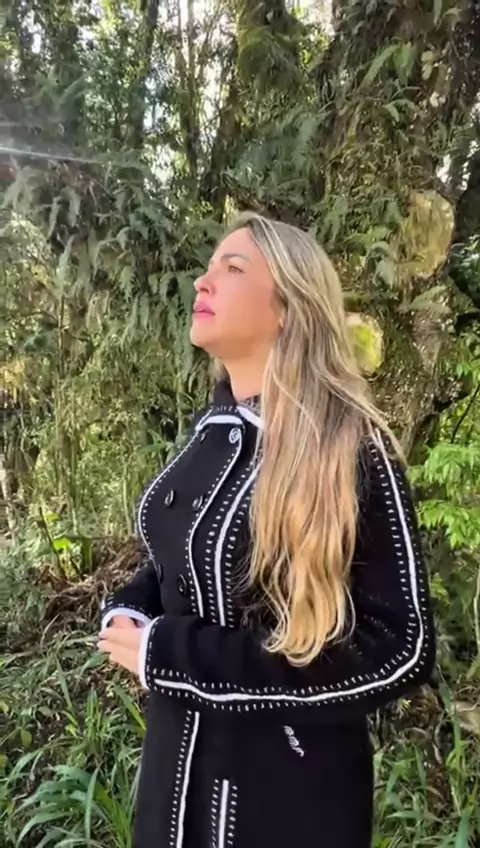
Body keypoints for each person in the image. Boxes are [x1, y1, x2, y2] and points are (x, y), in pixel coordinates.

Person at [98, 212, 436, 848]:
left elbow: (400, 648)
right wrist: (132, 608)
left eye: (232, 268)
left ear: (288, 307)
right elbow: (179, 563)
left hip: (283, 803)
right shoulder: (212, 433)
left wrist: (173, 654)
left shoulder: (350, 447)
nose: (202, 282)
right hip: (175, 785)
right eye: (208, 268)